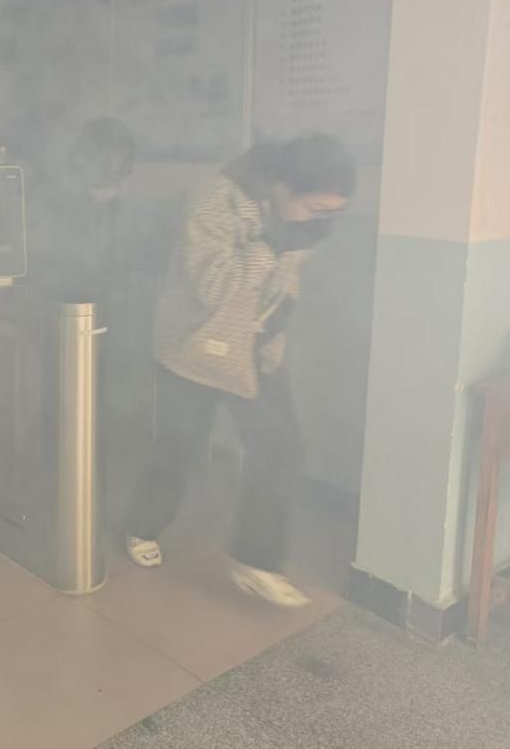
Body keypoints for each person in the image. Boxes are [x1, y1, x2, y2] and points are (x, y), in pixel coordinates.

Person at [123, 133, 355, 606]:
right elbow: (214, 286)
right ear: (282, 187)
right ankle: (140, 526)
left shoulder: (296, 217)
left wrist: (276, 334)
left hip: (253, 350)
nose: (323, 222)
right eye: (317, 210)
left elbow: (284, 285)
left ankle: (255, 560)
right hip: (193, 348)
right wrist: (272, 244)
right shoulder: (215, 200)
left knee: (281, 449)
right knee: (179, 451)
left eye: (334, 213)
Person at [27, 117, 136, 303]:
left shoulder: (129, 210)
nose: (79, 159)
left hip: (112, 303)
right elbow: (44, 264)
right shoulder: (56, 204)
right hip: (60, 301)